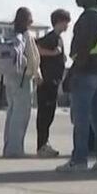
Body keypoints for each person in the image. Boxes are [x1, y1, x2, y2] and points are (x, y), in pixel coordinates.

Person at [57, 0, 97, 173]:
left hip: (86, 71)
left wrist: (71, 73)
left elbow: (84, 49)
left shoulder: (88, 17)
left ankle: (79, 160)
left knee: (81, 118)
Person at [1, 7, 42, 158]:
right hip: (23, 78)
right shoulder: (26, 35)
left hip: (9, 76)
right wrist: (37, 74)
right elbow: (32, 57)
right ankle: (15, 149)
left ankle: (8, 146)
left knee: (12, 112)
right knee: (21, 114)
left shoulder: (9, 35)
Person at [36, 9, 70, 158]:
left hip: (54, 81)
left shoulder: (58, 38)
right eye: (65, 22)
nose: (67, 25)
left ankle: (44, 143)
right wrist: (53, 53)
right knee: (45, 114)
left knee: (49, 114)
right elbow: (36, 49)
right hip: (47, 82)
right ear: (59, 22)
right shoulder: (51, 38)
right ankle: (42, 145)